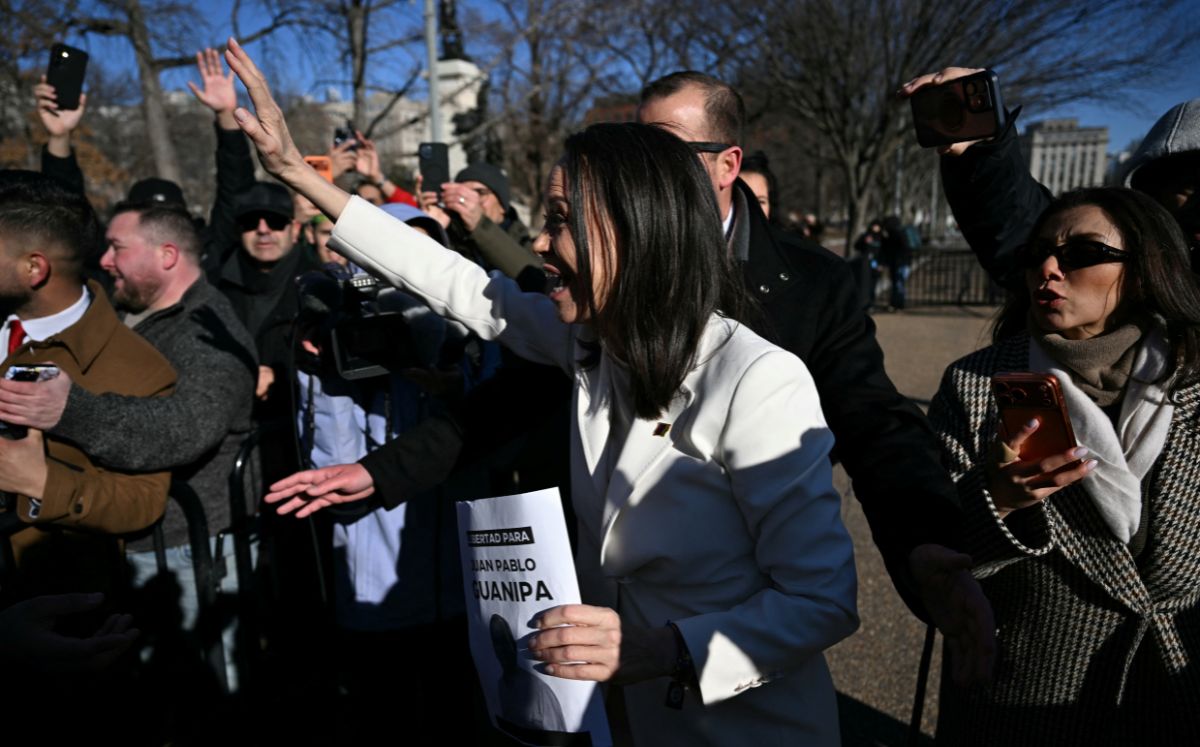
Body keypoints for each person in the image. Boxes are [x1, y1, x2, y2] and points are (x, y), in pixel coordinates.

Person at [224, 39, 857, 744]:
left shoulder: (757, 379)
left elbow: (823, 600)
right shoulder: (588, 342)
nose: (541, 245)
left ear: (635, 231)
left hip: (746, 727)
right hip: (621, 722)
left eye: (560, 220)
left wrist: (665, 649)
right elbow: (458, 283)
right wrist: (295, 171)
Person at [635, 71, 992, 677]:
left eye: (664, 150)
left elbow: (874, 424)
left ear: (727, 166)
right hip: (622, 590)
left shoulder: (814, 281)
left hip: (751, 593)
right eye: (634, 150)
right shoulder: (613, 259)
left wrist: (925, 539)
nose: (640, 170)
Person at [928, 187, 1200, 744]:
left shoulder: (1192, 376)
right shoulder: (976, 384)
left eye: (1082, 253)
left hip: (1180, 685)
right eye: (1038, 254)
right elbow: (930, 540)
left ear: (1144, 271)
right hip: (1029, 684)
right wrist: (996, 501)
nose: (1048, 269)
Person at [0, 170, 176, 602]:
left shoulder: (137, 366)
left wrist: (43, 483)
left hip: (48, 602)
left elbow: (141, 501)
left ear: (34, 268)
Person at [901, 68, 1199, 283]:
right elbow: (1023, 231)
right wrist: (985, 148)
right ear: (1150, 194)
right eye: (1193, 187)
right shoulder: (1124, 272)